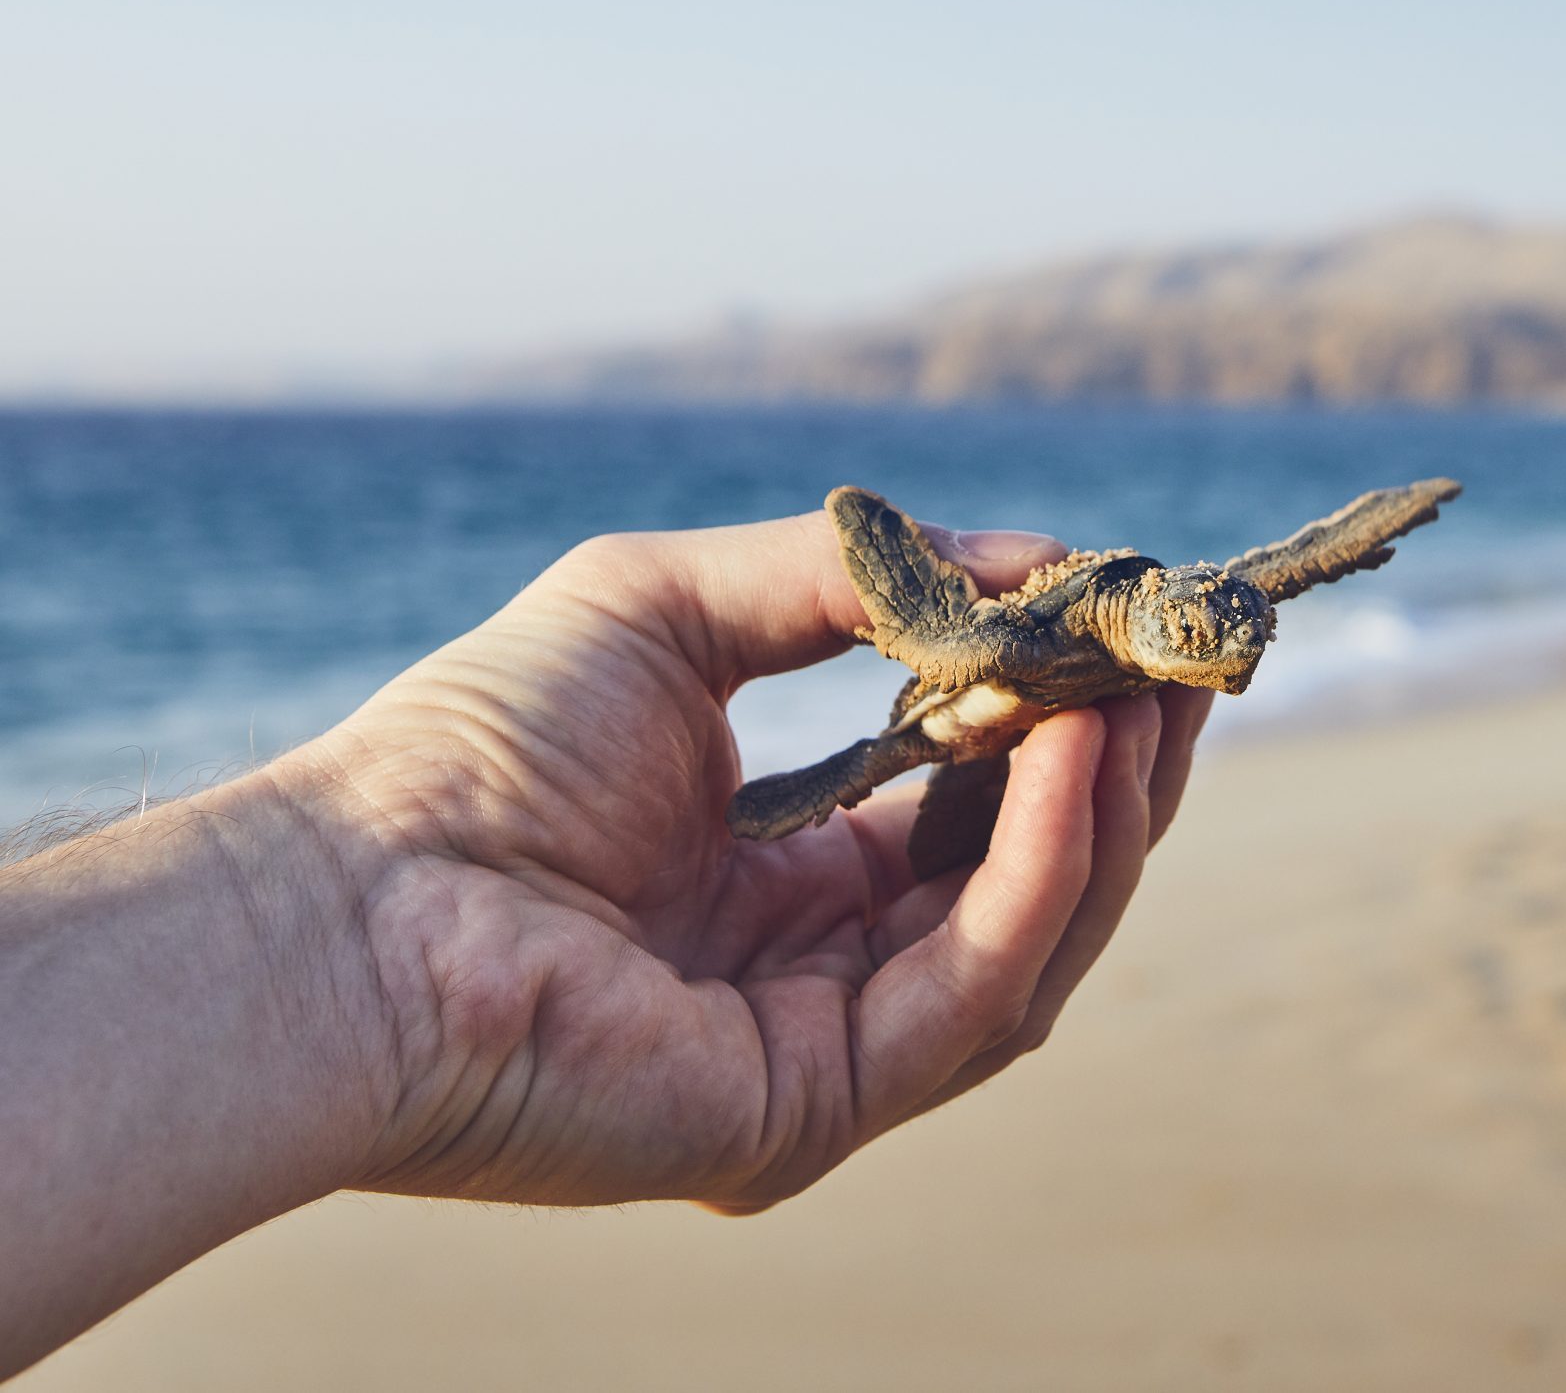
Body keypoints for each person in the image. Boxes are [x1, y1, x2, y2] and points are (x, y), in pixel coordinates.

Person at [0, 507, 1211, 1380]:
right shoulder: (1057, 613)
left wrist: (359, 947)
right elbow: (905, 587)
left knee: (1020, 819)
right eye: (1206, 633)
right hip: (961, 695)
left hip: (1028, 731)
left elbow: (1247, 593)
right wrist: (350, 920)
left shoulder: (1186, 615)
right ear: (1148, 613)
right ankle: (851, 775)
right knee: (899, 750)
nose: (1228, 656)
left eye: (1230, 643)